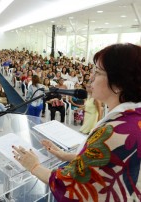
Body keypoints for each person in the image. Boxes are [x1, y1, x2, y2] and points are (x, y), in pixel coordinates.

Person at [12, 43, 141, 201]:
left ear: (119, 83)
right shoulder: (132, 118)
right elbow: (103, 162)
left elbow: (72, 184)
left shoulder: (118, 130)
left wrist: (34, 166)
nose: (91, 77)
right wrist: (65, 155)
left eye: (98, 72)